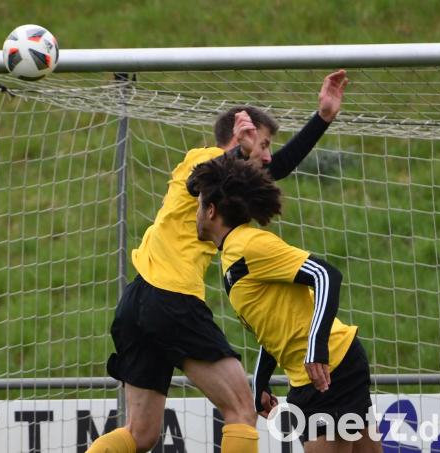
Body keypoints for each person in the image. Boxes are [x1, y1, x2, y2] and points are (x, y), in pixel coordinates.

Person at [85, 70, 349, 453]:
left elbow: (275, 168)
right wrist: (238, 152)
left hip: (137, 301)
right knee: (242, 410)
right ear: (238, 138)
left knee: (140, 434)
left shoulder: (221, 177)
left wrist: (322, 117)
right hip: (171, 299)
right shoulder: (204, 161)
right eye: (263, 144)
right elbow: (203, 180)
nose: (267, 155)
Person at [187, 156, 381, 453]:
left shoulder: (249, 246)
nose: (196, 214)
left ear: (211, 211)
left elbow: (326, 275)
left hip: (327, 370)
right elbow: (276, 324)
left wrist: (317, 347)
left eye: (199, 206)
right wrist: (261, 381)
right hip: (325, 369)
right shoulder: (232, 256)